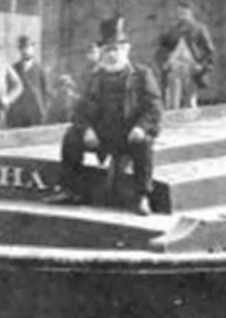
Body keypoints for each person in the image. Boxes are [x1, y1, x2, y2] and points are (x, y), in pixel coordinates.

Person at [49, 16, 162, 216]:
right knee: (71, 137)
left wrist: (141, 127)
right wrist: (87, 130)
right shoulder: (94, 77)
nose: (111, 55)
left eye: (116, 49)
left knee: (145, 145)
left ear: (126, 50)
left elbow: (154, 108)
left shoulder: (142, 75)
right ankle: (70, 189)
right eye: (107, 50)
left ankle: (142, 196)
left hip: (129, 135)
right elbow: (79, 110)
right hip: (101, 135)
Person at [155, 0, 215, 110]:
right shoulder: (172, 31)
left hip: (191, 68)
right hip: (175, 68)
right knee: (173, 102)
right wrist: (165, 61)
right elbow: (162, 49)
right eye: (179, 13)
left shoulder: (200, 29)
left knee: (190, 101)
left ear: (190, 13)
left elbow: (208, 50)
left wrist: (202, 66)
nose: (181, 16)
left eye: (184, 13)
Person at [8, 35, 49, 128]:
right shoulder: (13, 69)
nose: (25, 50)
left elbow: (45, 92)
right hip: (18, 115)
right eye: (22, 48)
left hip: (35, 114)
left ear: (32, 49)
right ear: (19, 50)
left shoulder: (39, 69)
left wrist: (43, 111)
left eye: (28, 47)